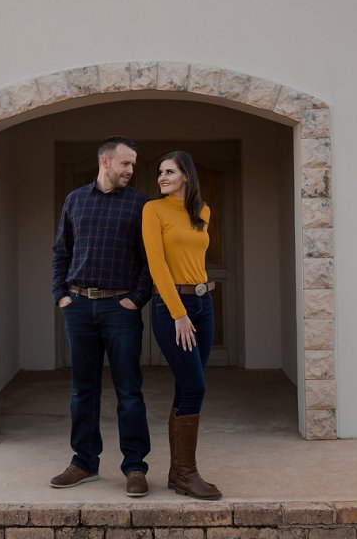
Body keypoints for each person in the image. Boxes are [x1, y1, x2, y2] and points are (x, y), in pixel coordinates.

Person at [50, 135, 153, 498]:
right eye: (126, 164)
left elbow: (148, 260)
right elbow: (61, 250)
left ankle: (135, 467)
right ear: (105, 162)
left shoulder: (141, 204)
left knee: (129, 391)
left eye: (133, 166)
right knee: (83, 390)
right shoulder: (74, 200)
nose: (131, 171)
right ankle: (84, 461)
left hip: (119, 309)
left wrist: (137, 299)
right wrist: (60, 295)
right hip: (78, 306)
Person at [141, 150, 222, 500]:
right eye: (160, 172)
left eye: (169, 172)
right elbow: (157, 265)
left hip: (203, 302)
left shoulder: (203, 212)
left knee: (188, 386)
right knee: (195, 387)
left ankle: (178, 473)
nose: (162, 177)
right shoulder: (153, 210)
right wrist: (178, 312)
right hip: (172, 307)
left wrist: (199, 296)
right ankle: (188, 474)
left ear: (186, 176)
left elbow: (195, 259)